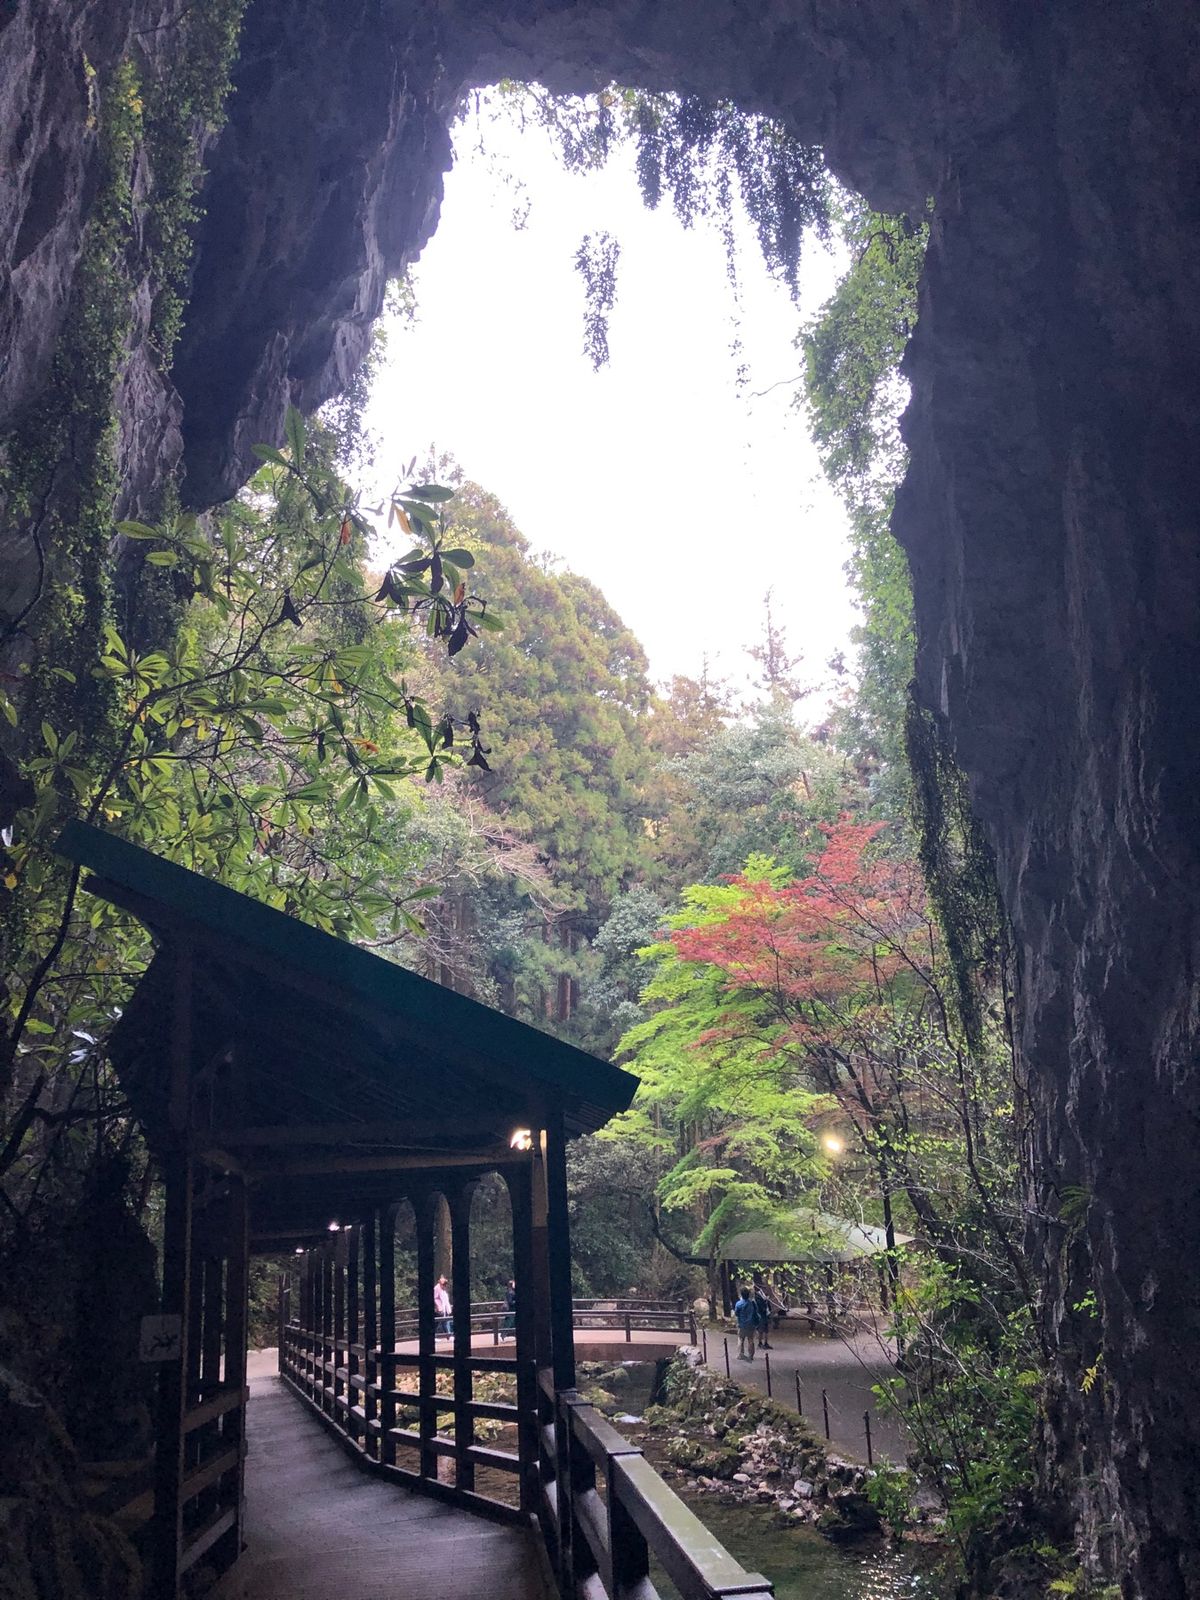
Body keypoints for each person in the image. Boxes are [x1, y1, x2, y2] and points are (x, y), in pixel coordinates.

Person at [753, 1273, 779, 1349]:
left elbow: (768, 1304)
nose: (766, 1290)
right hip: (761, 1315)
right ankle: (760, 1343)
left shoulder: (765, 1297)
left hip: (766, 1314)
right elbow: (759, 1307)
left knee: (766, 1329)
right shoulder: (758, 1297)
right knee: (761, 1329)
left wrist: (770, 1311)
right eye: (764, 1288)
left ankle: (766, 1342)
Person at [733, 1284, 759, 1361]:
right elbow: (756, 1312)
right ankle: (751, 1355)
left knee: (741, 1339)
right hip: (751, 1324)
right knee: (751, 1339)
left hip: (742, 1324)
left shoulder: (738, 1304)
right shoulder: (752, 1303)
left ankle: (741, 1355)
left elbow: (736, 1313)